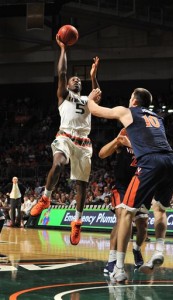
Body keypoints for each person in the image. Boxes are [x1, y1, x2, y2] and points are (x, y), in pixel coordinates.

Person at [88, 87, 173, 282]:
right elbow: (105, 152)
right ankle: (158, 250)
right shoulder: (156, 118)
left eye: (131, 98)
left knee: (128, 215)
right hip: (171, 162)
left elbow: (95, 110)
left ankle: (119, 268)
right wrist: (118, 142)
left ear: (134, 101)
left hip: (149, 166)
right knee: (160, 209)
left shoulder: (128, 113)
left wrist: (91, 98)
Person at [30, 34, 101, 246]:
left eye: (79, 79)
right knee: (59, 163)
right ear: (68, 85)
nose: (76, 79)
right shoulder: (63, 95)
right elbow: (61, 72)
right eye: (73, 79)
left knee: (82, 185)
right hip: (65, 135)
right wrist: (63, 49)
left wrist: (94, 75)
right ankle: (46, 197)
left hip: (84, 142)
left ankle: (77, 222)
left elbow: (97, 94)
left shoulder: (87, 99)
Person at [100, 128, 149, 275]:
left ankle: (137, 249)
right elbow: (102, 154)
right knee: (121, 217)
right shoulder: (125, 132)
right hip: (122, 187)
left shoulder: (149, 136)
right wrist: (117, 140)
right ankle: (112, 259)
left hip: (141, 185)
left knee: (143, 225)